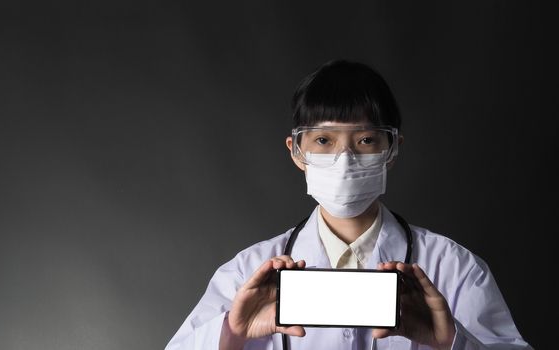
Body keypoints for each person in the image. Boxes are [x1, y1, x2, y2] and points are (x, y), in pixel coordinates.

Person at [165, 59, 532, 349]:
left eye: (366, 140)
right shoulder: (245, 273)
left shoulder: (454, 269)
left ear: (392, 150)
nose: (345, 157)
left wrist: (452, 343)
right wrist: (230, 334)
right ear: (296, 151)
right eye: (323, 140)